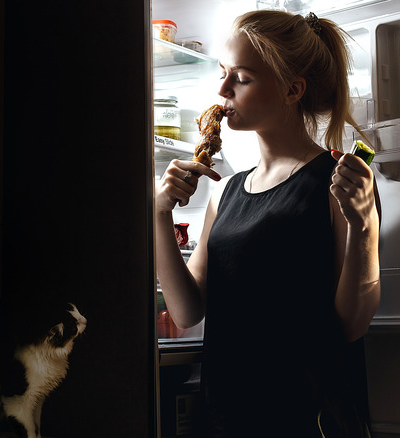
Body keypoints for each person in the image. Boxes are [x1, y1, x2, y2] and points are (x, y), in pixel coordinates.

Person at [155, 10, 381, 437]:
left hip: (308, 417)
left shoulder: (336, 183)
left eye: (241, 77)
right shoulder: (226, 192)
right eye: (223, 73)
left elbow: (352, 323)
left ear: (292, 89)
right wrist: (158, 213)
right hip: (226, 415)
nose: (222, 89)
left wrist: (364, 223)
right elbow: (186, 311)